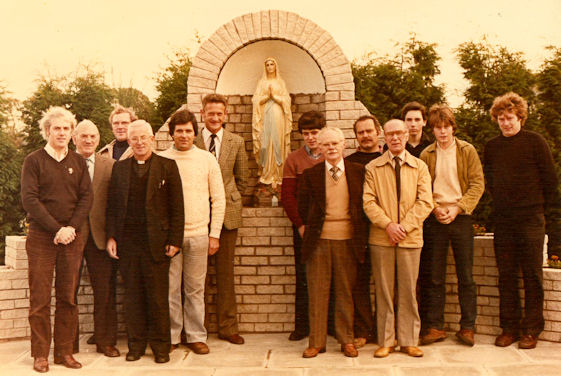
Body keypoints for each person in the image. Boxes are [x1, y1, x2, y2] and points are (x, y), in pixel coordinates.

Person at [484, 92, 559, 349]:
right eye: (501, 119)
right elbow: (490, 182)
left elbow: (550, 181)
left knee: (531, 275)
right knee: (505, 275)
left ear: (520, 118)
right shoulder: (491, 147)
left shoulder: (536, 142)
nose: (506, 123)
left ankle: (531, 330)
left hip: (531, 219)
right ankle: (510, 328)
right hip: (504, 220)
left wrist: (537, 209)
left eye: (510, 118)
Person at [21, 106, 93, 372]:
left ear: (71, 132)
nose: (62, 133)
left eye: (66, 129)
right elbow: (30, 199)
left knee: (67, 297)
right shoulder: (34, 160)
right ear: (47, 131)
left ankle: (64, 352)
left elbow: (87, 197)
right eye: (57, 128)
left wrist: (71, 228)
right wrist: (56, 229)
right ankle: (40, 354)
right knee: (39, 298)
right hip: (42, 238)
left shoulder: (78, 162)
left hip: (73, 238)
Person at [106, 120, 184, 363]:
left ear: (152, 139)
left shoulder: (167, 166)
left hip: (157, 244)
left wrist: (175, 240)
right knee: (133, 297)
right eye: (134, 139)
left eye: (143, 138)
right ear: (128, 141)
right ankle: (136, 345)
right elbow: (112, 207)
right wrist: (111, 236)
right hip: (129, 243)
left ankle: (161, 347)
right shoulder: (119, 169)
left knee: (158, 298)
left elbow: (177, 207)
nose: (139, 142)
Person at [363, 119, 433, 358]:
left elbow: (426, 202)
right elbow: (368, 202)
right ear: (384, 136)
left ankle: (409, 340)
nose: (395, 138)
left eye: (399, 133)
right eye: (390, 134)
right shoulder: (373, 167)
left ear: (406, 135)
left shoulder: (419, 167)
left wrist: (403, 227)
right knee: (383, 290)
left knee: (408, 290)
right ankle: (386, 340)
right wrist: (388, 225)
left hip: (410, 238)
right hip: (381, 238)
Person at [298, 127, 368, 358]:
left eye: (335, 143)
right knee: (318, 292)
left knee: (345, 291)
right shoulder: (311, 175)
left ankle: (346, 339)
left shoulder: (359, 172)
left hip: (348, 240)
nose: (331, 148)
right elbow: (303, 207)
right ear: (320, 147)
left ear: (344, 144)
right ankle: (316, 342)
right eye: (326, 144)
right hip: (319, 242)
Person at [160, 109, 226, 355]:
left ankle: (197, 336)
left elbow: (218, 198)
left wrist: (214, 234)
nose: (184, 135)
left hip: (199, 234)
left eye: (188, 131)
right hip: (171, 238)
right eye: (179, 131)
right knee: (170, 288)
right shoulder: (162, 159)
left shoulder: (206, 159)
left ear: (194, 133)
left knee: (195, 289)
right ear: (172, 134)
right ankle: (172, 335)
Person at [419, 105, 484, 347]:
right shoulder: (426, 155)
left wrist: (458, 208)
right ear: (432, 129)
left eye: (446, 127)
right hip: (435, 218)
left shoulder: (467, 151)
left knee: (465, 275)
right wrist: (435, 208)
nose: (443, 131)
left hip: (462, 217)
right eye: (438, 127)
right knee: (435, 276)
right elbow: (423, 188)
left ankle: (468, 327)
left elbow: (477, 184)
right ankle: (435, 327)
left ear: (453, 127)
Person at [194, 94, 249, 345]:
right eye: (210, 113)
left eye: (219, 113)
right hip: (197, 216)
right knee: (198, 277)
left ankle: (228, 327)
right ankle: (198, 329)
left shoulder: (236, 142)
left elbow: (243, 179)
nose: (215, 118)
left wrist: (230, 200)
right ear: (202, 114)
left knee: (225, 274)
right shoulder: (192, 141)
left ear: (225, 115)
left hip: (227, 217)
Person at [72, 120, 119, 357]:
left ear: (99, 139)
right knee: (68, 290)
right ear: (74, 139)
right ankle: (68, 344)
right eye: (83, 136)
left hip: (100, 237)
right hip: (72, 235)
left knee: (104, 290)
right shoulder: (63, 163)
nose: (88, 140)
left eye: (93, 136)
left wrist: (113, 235)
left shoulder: (110, 165)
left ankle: (105, 341)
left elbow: (116, 204)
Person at [281, 110, 326, 341]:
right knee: (304, 275)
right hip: (303, 225)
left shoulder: (332, 155)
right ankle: (303, 326)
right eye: (306, 133)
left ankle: (329, 325)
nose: (310, 137)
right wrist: (299, 224)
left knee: (330, 275)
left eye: (315, 132)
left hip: (328, 225)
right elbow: (287, 196)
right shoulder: (294, 159)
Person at [345, 114, 382, 347]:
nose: (366, 135)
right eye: (361, 132)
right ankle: (362, 330)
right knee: (358, 283)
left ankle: (384, 330)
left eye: (369, 130)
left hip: (384, 229)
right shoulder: (349, 162)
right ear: (356, 136)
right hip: (358, 231)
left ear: (378, 131)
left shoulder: (387, 158)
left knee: (385, 284)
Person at [251, 57, 292, 188]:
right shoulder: (261, 83)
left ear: (275, 66)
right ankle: (266, 174)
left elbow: (287, 100)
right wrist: (266, 97)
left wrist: (275, 97)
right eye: (267, 64)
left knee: (278, 143)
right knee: (265, 143)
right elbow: (255, 100)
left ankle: (278, 174)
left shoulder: (281, 83)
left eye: (272, 64)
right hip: (264, 116)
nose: (269, 67)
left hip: (278, 115)